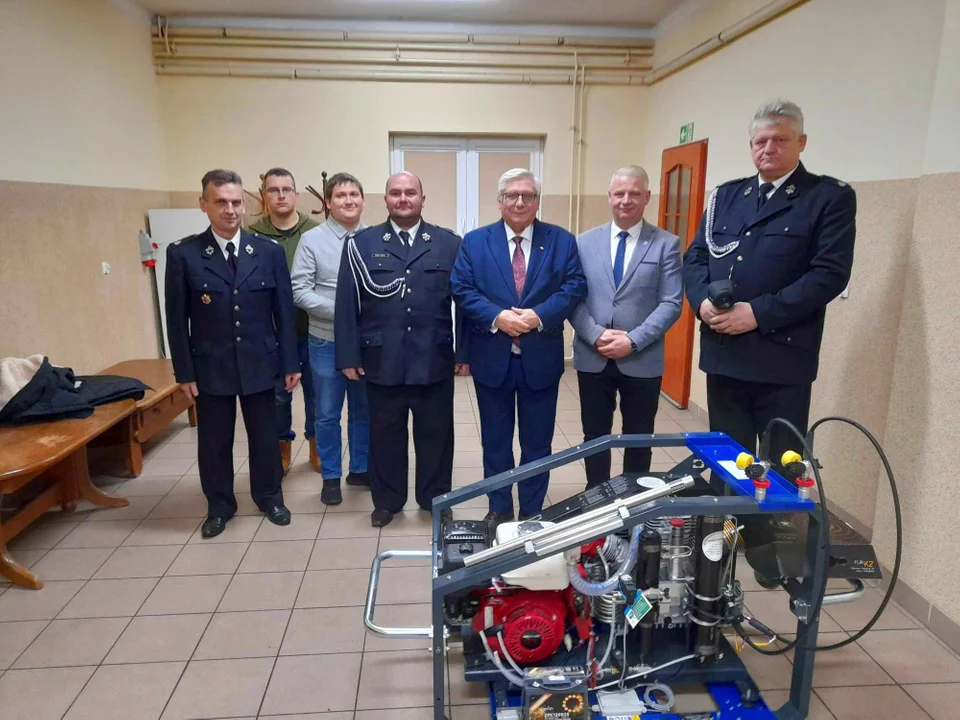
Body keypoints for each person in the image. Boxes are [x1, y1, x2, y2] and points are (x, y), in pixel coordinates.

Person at [682, 99, 856, 464]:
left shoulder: (827, 198)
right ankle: (727, 507)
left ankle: (772, 507)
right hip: (724, 355)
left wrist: (758, 313)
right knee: (727, 464)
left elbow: (829, 275)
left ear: (801, 143)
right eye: (760, 141)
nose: (769, 148)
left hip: (782, 360)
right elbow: (696, 257)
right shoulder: (727, 196)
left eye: (780, 140)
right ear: (751, 146)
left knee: (780, 466)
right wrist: (701, 303)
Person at [165, 169, 298, 538]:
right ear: (204, 204)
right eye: (221, 202)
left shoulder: (268, 252)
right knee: (214, 441)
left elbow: (284, 312)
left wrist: (290, 362)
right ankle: (220, 505)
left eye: (236, 202)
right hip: (212, 366)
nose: (230, 210)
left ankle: (270, 497)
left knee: (266, 436)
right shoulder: (184, 255)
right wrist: (184, 372)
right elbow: (176, 320)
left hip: (261, 362)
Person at [452, 169, 586, 530]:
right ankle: (499, 507)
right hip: (492, 357)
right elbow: (461, 288)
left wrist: (537, 316)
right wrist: (497, 317)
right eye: (511, 195)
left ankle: (531, 509)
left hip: (540, 358)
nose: (519, 202)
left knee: (537, 441)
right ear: (499, 201)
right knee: (495, 441)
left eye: (528, 195)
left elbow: (574, 286)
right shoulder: (475, 242)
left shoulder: (561, 241)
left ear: (537, 201)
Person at [334, 171, 468, 527]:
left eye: (410, 192)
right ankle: (387, 501)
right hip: (382, 360)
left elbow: (464, 303)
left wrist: (465, 353)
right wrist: (348, 355)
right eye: (396, 193)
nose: (403, 199)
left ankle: (435, 499)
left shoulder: (448, 243)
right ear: (386, 200)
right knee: (384, 434)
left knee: (436, 435)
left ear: (423, 199)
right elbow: (346, 304)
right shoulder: (361, 244)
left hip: (434, 359)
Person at [571, 165, 682, 487]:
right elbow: (572, 298)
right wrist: (595, 334)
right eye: (619, 193)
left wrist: (632, 341)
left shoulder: (666, 244)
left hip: (642, 358)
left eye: (634, 193)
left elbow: (671, 303)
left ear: (647, 197)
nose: (626, 200)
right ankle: (597, 497)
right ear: (609, 196)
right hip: (593, 356)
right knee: (595, 435)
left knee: (639, 437)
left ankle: (634, 499)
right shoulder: (583, 242)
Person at [291, 173, 370, 506]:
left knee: (364, 410)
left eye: (354, 194)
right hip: (326, 341)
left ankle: (361, 469)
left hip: (366, 345)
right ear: (328, 202)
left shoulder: (374, 239)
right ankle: (331, 476)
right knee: (326, 413)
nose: (348, 200)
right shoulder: (312, 240)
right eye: (340, 195)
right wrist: (344, 313)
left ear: (362, 200)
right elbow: (299, 290)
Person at [249, 168, 320, 474]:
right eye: (273, 190)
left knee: (317, 394)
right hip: (273, 334)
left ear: (296, 195)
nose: (280, 196)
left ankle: (316, 445)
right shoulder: (252, 235)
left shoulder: (314, 232)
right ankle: (282, 446)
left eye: (286, 190)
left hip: (313, 329)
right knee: (278, 397)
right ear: (264, 195)